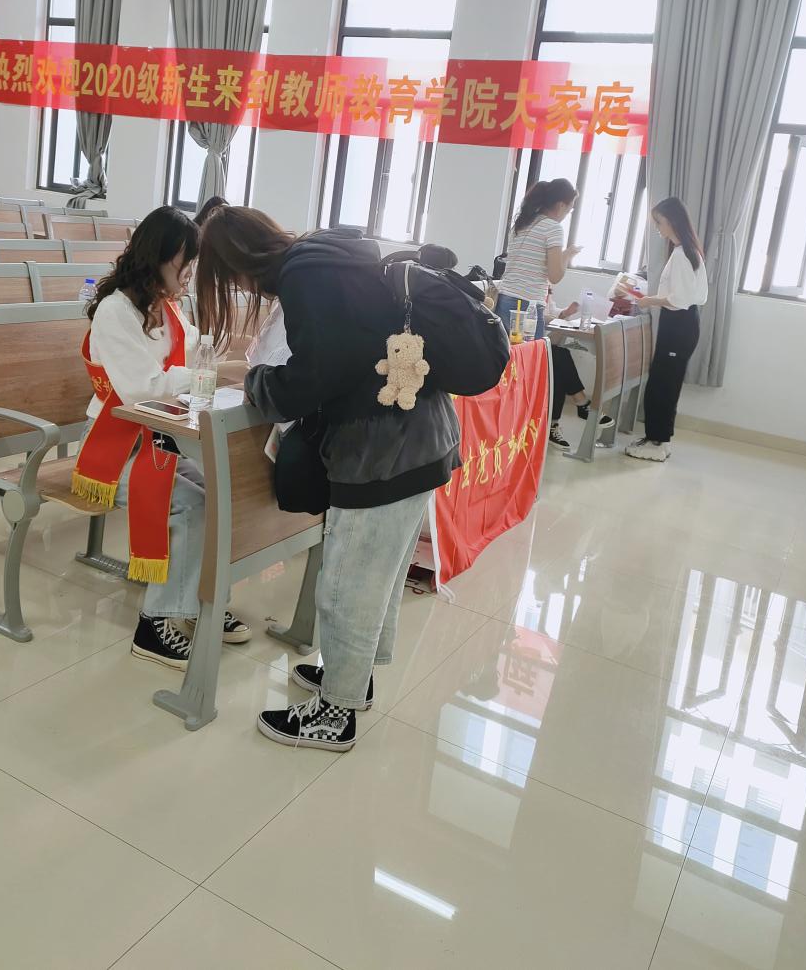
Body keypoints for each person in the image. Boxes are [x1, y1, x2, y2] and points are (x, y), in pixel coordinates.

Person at [195, 206, 461, 752]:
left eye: (231, 280)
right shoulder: (330, 257)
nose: (241, 290)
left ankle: (335, 714)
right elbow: (345, 355)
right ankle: (351, 678)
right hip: (417, 435)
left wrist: (260, 382)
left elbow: (316, 375)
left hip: (384, 449)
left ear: (239, 264)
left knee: (348, 585)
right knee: (378, 577)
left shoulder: (306, 277)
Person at [75, 206, 250, 670]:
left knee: (220, 493)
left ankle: (197, 602)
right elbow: (143, 389)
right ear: (158, 257)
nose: (189, 272)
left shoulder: (166, 307)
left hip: (155, 438)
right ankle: (154, 625)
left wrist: (231, 364)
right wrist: (210, 375)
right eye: (184, 262)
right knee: (191, 506)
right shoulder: (115, 311)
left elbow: (198, 353)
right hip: (114, 445)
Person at [624, 197, 707, 462]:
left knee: (663, 385)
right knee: (664, 382)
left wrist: (649, 301)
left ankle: (657, 442)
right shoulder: (686, 251)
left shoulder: (683, 255)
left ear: (671, 221)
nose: (657, 228)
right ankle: (658, 439)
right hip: (681, 324)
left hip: (679, 325)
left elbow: (678, 300)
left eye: (659, 222)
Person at [495, 179, 580, 339]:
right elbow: (555, 276)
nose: (566, 215)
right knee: (531, 355)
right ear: (561, 206)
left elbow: (533, 261)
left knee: (508, 353)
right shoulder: (553, 228)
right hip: (527, 306)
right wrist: (568, 255)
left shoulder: (521, 224)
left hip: (504, 299)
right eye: (569, 210)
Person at [547, 289, 614, 451]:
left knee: (559, 359)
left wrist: (565, 313)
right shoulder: (528, 289)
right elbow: (540, 318)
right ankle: (581, 404)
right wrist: (560, 316)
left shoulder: (544, 288)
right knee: (559, 357)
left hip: (546, 343)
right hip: (528, 345)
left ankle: (555, 424)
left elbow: (551, 312)